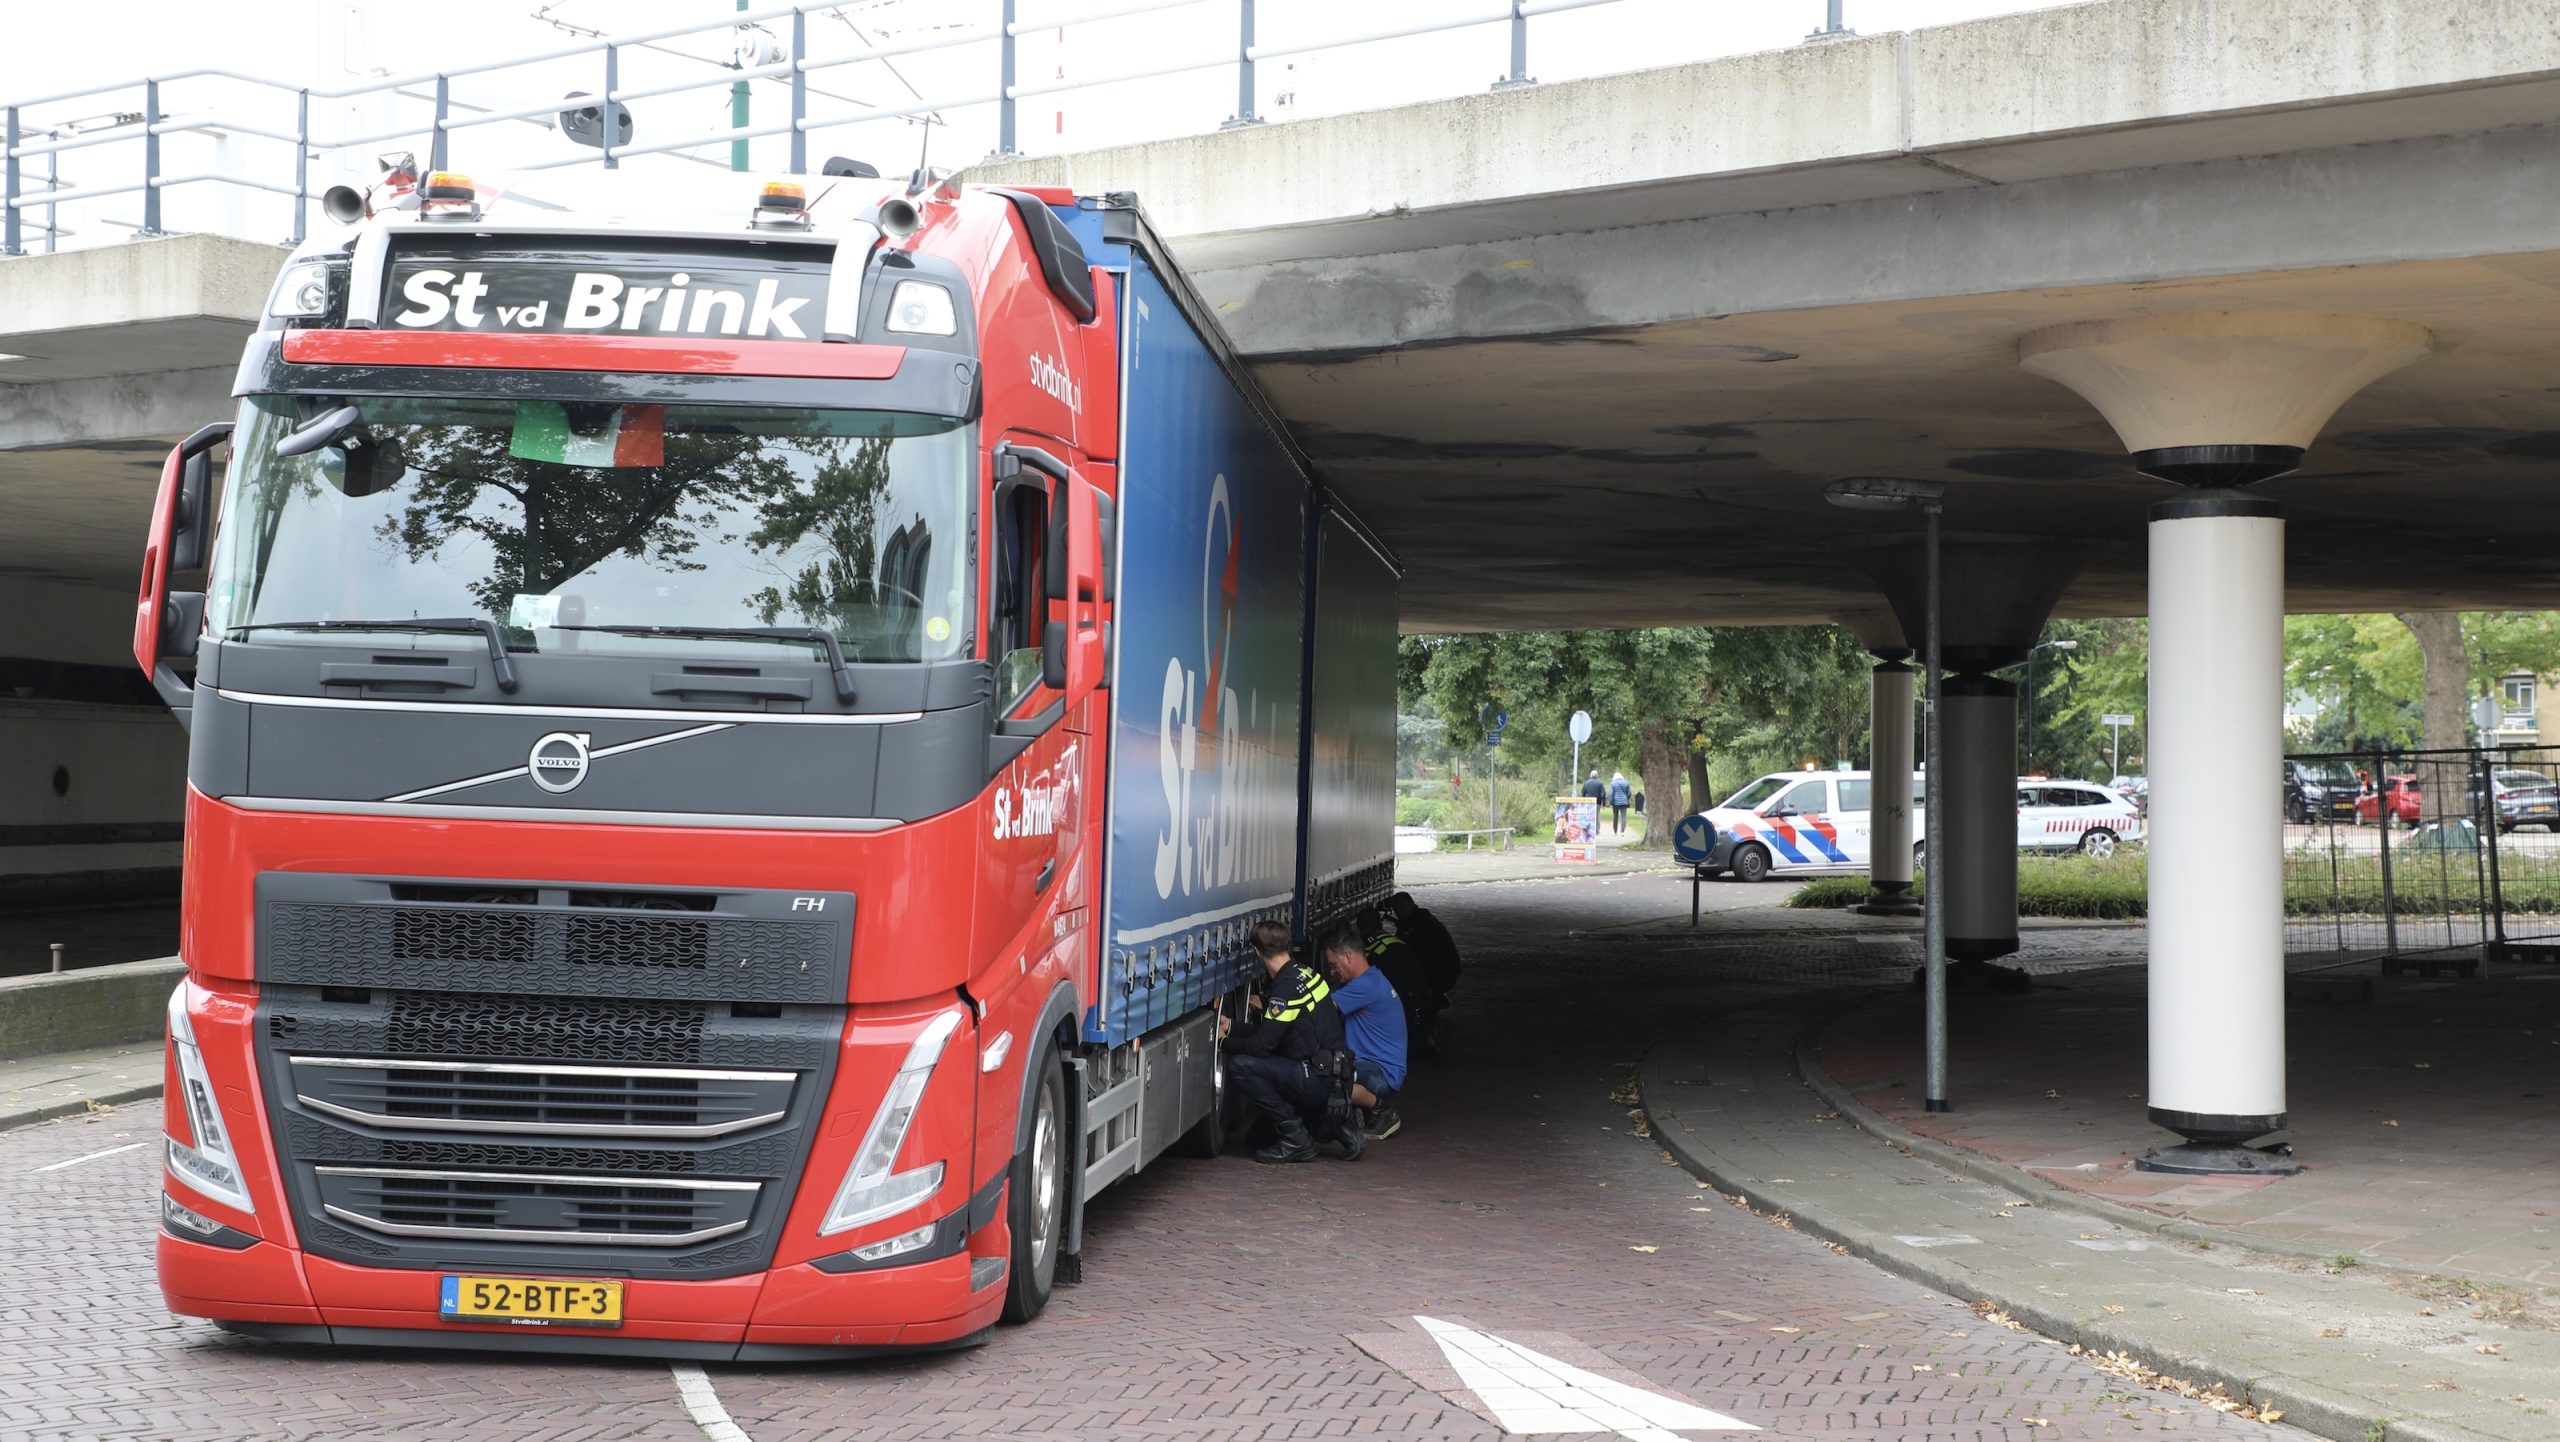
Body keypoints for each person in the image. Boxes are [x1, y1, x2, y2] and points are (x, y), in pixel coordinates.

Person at [1221, 920, 1362, 1163]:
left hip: (1315, 1080)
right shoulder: (1306, 973)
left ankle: (1297, 1138)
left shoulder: (1284, 990)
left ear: (1256, 952)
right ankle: (1335, 1126)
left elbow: (1261, 1046)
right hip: (1335, 1077)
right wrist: (1232, 1027)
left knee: (1241, 1065)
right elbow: (1272, 1031)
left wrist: (1223, 1043)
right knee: (1256, 1140)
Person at [1319, 925, 1407, 1141]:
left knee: (1327, 1077)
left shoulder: (1366, 986)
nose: (1332, 971)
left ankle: (1380, 1108)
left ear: (1348, 956)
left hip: (1381, 1073)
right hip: (1374, 1067)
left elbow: (1319, 1006)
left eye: (1333, 964)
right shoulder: (1368, 980)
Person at [1359, 906, 1439, 1062]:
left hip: (1401, 1002)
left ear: (1360, 927)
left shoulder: (1370, 949)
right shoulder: (1395, 941)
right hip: (1418, 996)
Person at [1387, 890, 1462, 1014]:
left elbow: (1411, 955)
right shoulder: (1420, 919)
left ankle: (1429, 1001)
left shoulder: (1419, 926)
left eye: (1402, 906)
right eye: (1396, 908)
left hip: (1441, 972)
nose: (1399, 911)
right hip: (1444, 971)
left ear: (1411, 904)